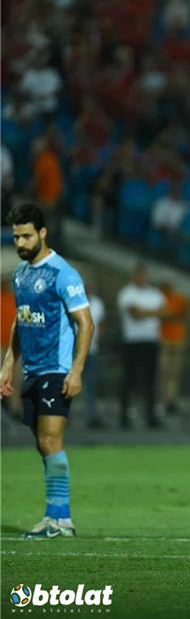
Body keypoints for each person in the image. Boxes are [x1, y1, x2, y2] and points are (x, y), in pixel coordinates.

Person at [1, 203, 94, 539]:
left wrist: (76, 370)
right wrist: (8, 363)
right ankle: (56, 515)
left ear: (42, 233)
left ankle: (61, 519)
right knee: (43, 444)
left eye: (26, 236)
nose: (21, 243)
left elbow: (86, 323)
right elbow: (21, 319)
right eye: (16, 237)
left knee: (50, 439)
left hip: (57, 368)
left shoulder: (62, 273)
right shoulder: (20, 274)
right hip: (33, 371)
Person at [117, 263, 166, 429]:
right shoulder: (127, 293)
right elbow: (135, 314)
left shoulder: (155, 293)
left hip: (151, 341)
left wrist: (146, 312)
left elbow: (166, 312)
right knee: (129, 379)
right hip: (132, 341)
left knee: (151, 380)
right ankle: (124, 416)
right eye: (140, 275)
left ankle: (151, 416)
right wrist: (154, 312)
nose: (143, 278)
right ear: (134, 276)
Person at [158, 280, 189, 415]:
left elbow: (182, 313)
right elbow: (163, 315)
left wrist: (167, 314)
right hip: (163, 338)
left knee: (174, 372)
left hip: (177, 339)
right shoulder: (159, 298)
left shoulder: (179, 299)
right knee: (164, 372)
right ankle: (164, 399)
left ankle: (172, 399)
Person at [82, 283, 106, 429]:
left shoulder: (97, 303)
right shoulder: (70, 301)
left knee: (91, 384)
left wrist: (99, 337)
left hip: (92, 349)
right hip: (74, 351)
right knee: (67, 385)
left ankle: (92, 416)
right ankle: (63, 416)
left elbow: (102, 323)